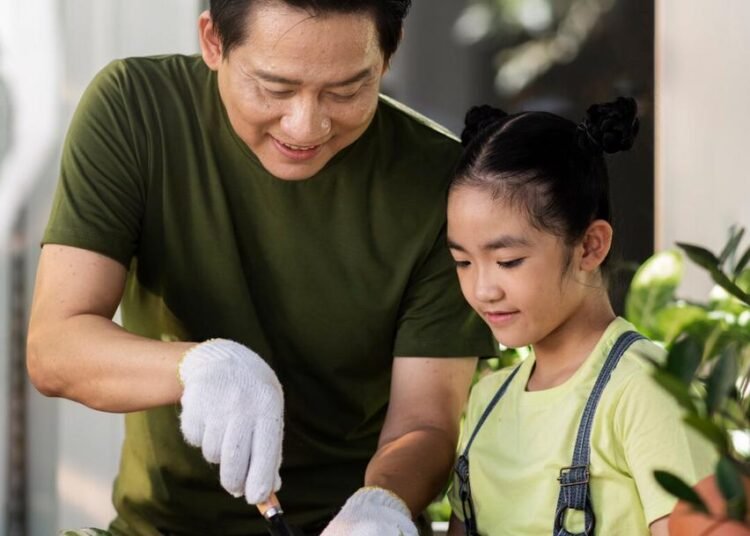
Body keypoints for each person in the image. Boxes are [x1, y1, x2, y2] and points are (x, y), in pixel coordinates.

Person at [26, 1, 497, 535]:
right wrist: (199, 368)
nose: (306, 125)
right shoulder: (136, 108)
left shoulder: (443, 183)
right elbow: (55, 347)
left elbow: (426, 421)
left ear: (388, 55)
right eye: (274, 88)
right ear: (212, 42)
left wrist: (382, 506)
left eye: (346, 91)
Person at [443, 98, 715, 535]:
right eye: (463, 262)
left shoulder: (647, 392)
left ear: (590, 245)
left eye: (508, 260)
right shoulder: (487, 400)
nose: (482, 289)